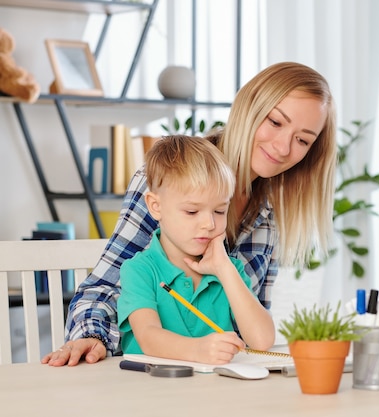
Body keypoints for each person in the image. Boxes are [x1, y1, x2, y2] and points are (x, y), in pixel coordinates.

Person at [42, 61, 337, 366]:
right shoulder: (171, 177)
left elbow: (254, 327)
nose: (283, 147)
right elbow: (105, 286)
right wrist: (94, 336)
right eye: (275, 122)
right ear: (249, 108)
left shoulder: (271, 211)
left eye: (302, 140)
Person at [118, 135, 274, 363]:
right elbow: (148, 337)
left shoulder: (229, 270)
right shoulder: (139, 270)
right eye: (192, 212)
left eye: (220, 211)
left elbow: (262, 341)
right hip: (152, 391)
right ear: (156, 206)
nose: (209, 224)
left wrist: (225, 270)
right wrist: (198, 350)